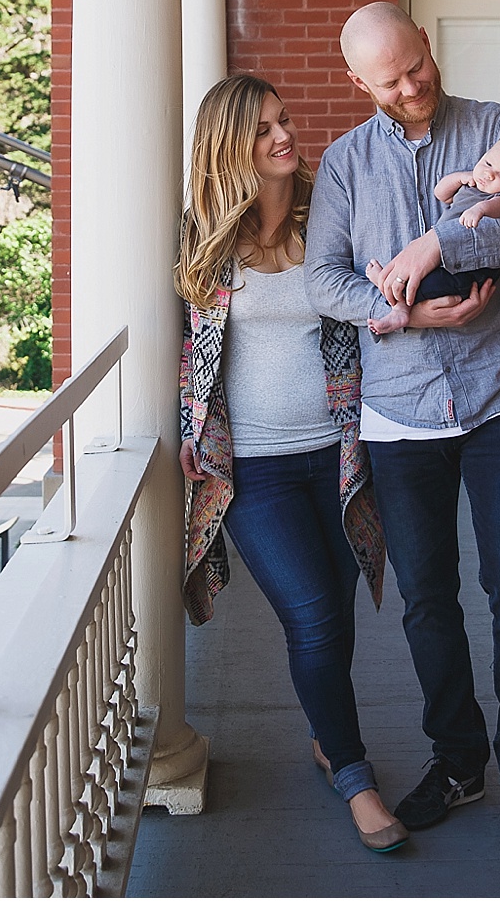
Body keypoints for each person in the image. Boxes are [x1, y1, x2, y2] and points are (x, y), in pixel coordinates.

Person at [306, 1, 500, 857]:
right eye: (388, 81)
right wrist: (405, 321)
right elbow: (325, 279)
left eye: (415, 67)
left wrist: (439, 244)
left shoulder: (499, 126)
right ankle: (458, 760)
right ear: (359, 83)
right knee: (427, 600)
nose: (410, 87)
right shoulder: (346, 163)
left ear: (427, 42)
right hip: (402, 405)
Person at [177, 74, 405, 853]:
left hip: (340, 454)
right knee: (310, 613)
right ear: (230, 144)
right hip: (256, 470)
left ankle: (325, 734)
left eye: (285, 120)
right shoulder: (200, 236)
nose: (285, 135)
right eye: (265, 127)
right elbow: (186, 350)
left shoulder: (328, 216)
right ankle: (355, 775)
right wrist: (185, 425)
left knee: (334, 617)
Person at [363, 131, 500, 336]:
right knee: (414, 267)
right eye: (488, 163)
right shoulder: (474, 183)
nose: (489, 174)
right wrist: (460, 178)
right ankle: (395, 298)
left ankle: (395, 302)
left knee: (433, 283)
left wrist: (480, 209)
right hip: (443, 257)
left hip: (471, 268)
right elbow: (441, 194)